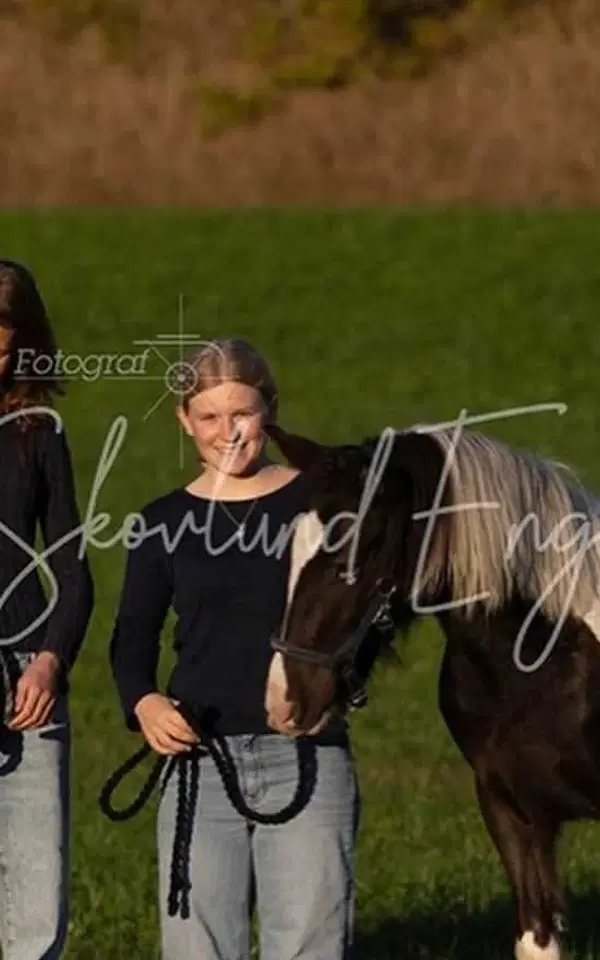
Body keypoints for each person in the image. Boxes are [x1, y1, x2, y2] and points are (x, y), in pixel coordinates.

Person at [107, 337, 359, 960]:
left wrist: (340, 688)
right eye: (210, 416)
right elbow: (131, 637)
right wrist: (143, 702)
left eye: (242, 413)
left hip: (305, 755)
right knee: (198, 945)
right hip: (199, 760)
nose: (228, 432)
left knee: (310, 944)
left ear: (269, 411)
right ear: (184, 420)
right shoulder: (161, 521)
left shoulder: (319, 504)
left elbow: (360, 617)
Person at [0, 259, 95, 960]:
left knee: (34, 907)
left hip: (25, 679)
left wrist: (50, 661)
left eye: (3, 345)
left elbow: (71, 567)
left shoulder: (38, 433)